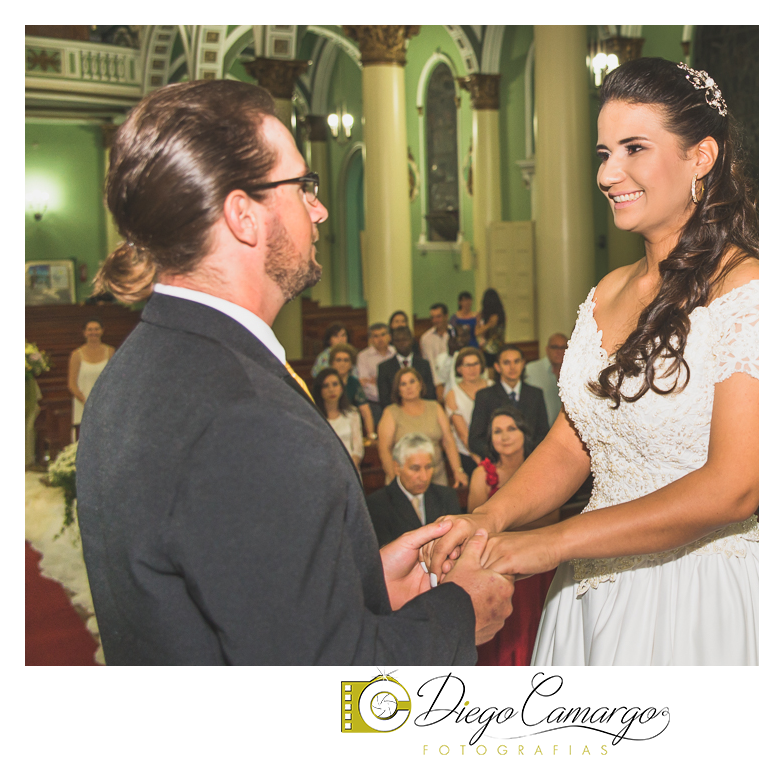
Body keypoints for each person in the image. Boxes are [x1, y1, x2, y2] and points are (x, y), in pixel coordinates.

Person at [74, 79, 512, 664]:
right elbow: (326, 692)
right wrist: (458, 613)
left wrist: (358, 578)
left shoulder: (138, 368)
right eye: (303, 185)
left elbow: (237, 595)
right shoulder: (247, 419)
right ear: (243, 216)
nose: (320, 207)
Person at [427, 57, 759, 665]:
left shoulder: (752, 297)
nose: (608, 173)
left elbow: (733, 489)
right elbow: (574, 442)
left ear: (701, 157)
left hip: (701, 596)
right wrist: (489, 517)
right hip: (591, 594)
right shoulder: (608, 291)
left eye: (633, 148)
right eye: (603, 152)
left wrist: (549, 543)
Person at [469, 408, 558, 666]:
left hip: (536, 563)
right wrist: (524, 526)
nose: (504, 436)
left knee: (535, 624)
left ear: (524, 432)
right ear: (490, 439)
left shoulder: (541, 471)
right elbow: (478, 526)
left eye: (511, 428)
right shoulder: (482, 474)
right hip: (497, 566)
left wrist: (507, 528)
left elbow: (553, 519)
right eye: (497, 431)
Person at [378, 366, 468, 489]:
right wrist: (395, 480)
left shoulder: (435, 407)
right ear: (398, 390)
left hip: (435, 475)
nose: (409, 387)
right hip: (405, 480)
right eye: (403, 384)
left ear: (420, 384)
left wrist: (458, 470)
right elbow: (384, 449)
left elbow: (449, 441)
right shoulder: (391, 412)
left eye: (412, 381)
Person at [367, 433, 463, 548]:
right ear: (397, 468)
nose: (424, 477)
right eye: (415, 469)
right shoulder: (378, 504)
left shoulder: (446, 496)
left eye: (428, 467)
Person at [468, 344, 549, 461]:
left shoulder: (535, 394)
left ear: (523, 364)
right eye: (506, 363)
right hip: (498, 462)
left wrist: (526, 456)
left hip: (531, 461)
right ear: (497, 367)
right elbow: (475, 440)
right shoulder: (485, 396)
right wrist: (500, 455)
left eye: (516, 361)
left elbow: (543, 433)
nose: (512, 367)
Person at [444, 347, 494, 475]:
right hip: (468, 454)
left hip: (496, 448)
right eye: (467, 365)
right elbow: (463, 434)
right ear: (459, 369)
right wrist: (478, 459)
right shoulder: (452, 394)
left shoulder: (493, 386)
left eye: (476, 364)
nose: (472, 369)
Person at [68, 318, 115, 437]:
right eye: (89, 330)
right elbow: (72, 384)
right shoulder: (76, 355)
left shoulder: (110, 352)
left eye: (96, 329)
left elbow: (114, 380)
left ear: (102, 331)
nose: (93, 332)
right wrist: (87, 401)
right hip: (83, 403)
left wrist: (103, 400)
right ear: (84, 332)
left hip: (105, 403)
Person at [312, 368, 364, 471]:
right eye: (326, 386)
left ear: (341, 388)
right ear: (319, 390)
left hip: (350, 468)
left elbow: (358, 448)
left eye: (335, 384)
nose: (331, 389)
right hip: (324, 469)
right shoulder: (314, 417)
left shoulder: (352, 413)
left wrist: (350, 465)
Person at [378, 326, 438, 410]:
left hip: (423, 411)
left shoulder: (424, 365)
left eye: (404, 340)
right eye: (398, 341)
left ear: (411, 340)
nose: (401, 343)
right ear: (393, 342)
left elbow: (430, 394)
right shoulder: (384, 368)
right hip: (396, 413)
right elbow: (385, 399)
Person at [328, 342, 376, 443]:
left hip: (349, 428)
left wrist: (371, 436)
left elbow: (365, 411)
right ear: (332, 363)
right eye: (338, 360)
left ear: (351, 364)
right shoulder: (325, 381)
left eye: (346, 360)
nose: (342, 363)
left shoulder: (354, 383)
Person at [356, 322, 394, 429]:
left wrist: (377, 380)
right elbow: (364, 383)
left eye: (383, 334)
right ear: (371, 339)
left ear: (389, 337)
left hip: (395, 402)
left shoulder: (395, 353)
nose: (380, 339)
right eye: (376, 336)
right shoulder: (363, 356)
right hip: (374, 403)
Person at [523, 333, 567, 426]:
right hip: (539, 431)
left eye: (563, 347)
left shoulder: (576, 372)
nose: (559, 351)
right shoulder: (531, 370)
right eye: (555, 347)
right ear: (547, 349)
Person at [475, 288, 506, 367]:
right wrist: (484, 323)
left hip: (492, 348)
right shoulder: (500, 314)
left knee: (491, 369)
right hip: (494, 347)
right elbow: (477, 332)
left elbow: (477, 332)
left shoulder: (496, 316)